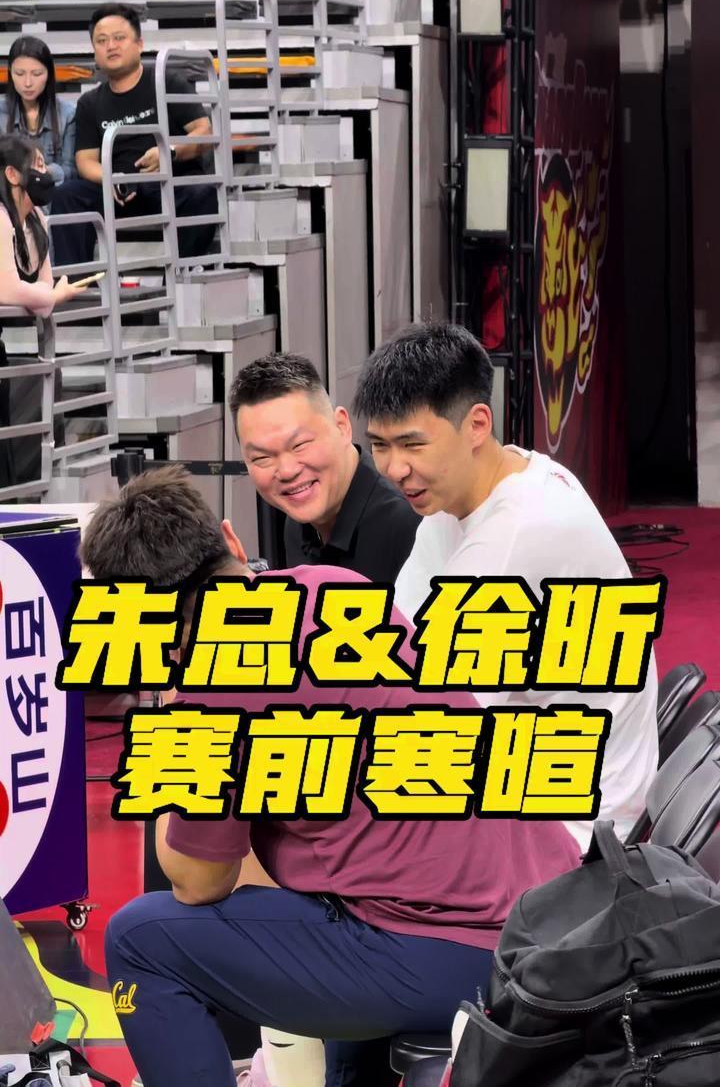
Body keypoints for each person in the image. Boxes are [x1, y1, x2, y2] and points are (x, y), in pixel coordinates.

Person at [82, 465, 581, 1087]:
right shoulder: (330, 587)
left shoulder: (217, 680)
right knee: (322, 894)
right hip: (549, 913)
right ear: (232, 541)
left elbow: (196, 882)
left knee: (140, 939)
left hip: (462, 950)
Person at [352, 321, 659, 851]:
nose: (395, 469)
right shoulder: (474, 490)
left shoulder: (514, 535)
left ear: (476, 424)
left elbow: (430, 721)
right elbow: (393, 641)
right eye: (379, 445)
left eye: (412, 444)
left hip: (575, 831)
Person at [229, 352, 420, 584]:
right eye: (262, 457)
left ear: (342, 426)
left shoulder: (412, 527)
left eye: (300, 445)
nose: (287, 471)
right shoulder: (297, 524)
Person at [50, 3, 216, 268]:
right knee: (67, 196)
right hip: (117, 189)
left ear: (139, 44)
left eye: (119, 38)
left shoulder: (166, 82)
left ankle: (181, 277)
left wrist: (169, 152)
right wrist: (111, 177)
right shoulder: (89, 103)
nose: (111, 46)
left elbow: (204, 131)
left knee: (202, 193)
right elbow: (85, 160)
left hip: (166, 184)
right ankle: (75, 283)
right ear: (94, 51)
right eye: (101, 41)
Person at [0, 134, 86, 487]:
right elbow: (8, 290)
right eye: (36, 166)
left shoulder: (36, 219)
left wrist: (48, 294)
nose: (45, 172)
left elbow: (43, 282)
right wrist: (51, 295)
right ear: (11, 174)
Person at [0, 37, 76, 185]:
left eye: (36, 74)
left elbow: (71, 171)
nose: (28, 83)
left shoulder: (68, 114)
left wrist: (45, 171)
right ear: (10, 73)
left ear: (48, 74)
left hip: (53, 192)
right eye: (19, 74)